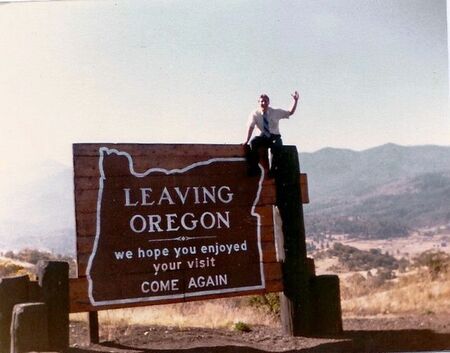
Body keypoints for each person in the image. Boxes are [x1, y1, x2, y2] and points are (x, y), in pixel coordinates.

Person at [243, 91, 300, 175]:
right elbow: (251, 127)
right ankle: (255, 167)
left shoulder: (275, 112)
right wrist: (246, 140)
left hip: (274, 136)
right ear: (259, 102)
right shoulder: (254, 113)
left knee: (277, 146)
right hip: (263, 136)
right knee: (253, 142)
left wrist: (295, 101)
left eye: (265, 101)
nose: (263, 103)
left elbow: (290, 112)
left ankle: (273, 170)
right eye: (262, 101)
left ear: (268, 102)